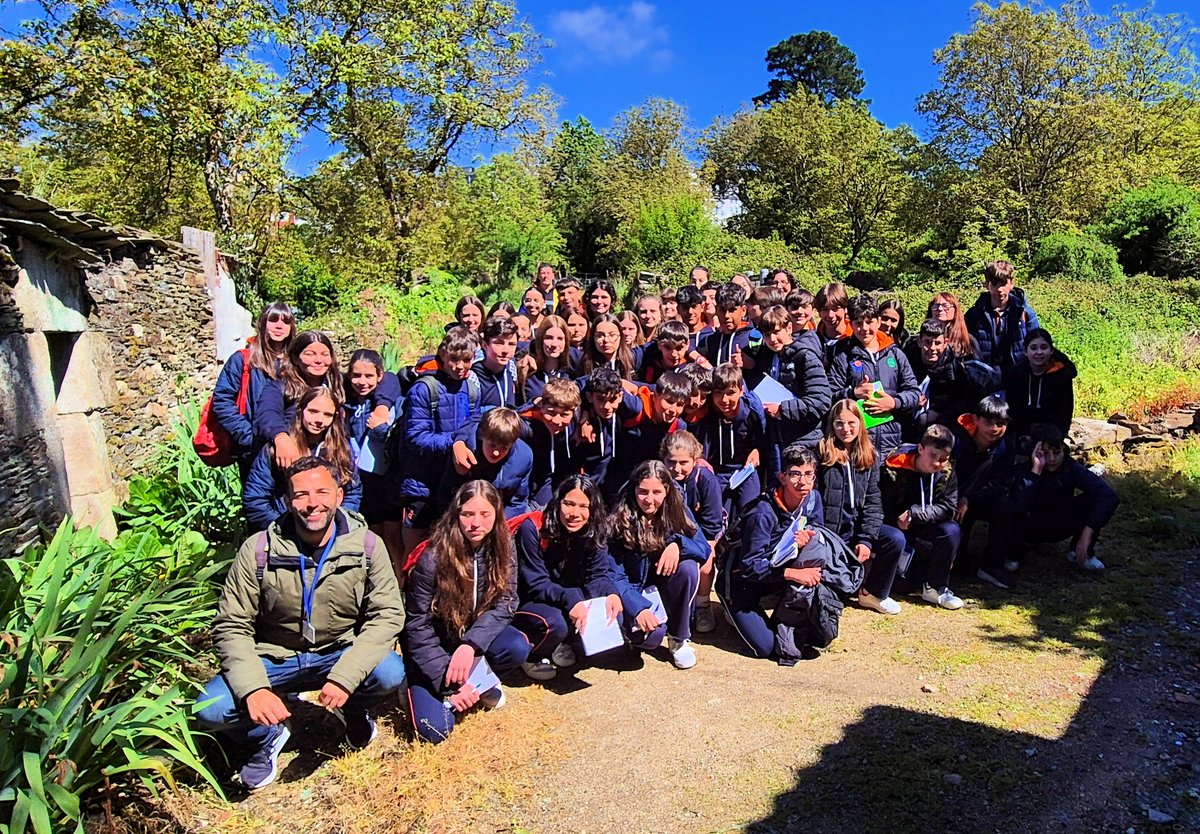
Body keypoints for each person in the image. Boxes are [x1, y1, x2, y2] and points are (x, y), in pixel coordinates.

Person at [196, 457, 405, 789]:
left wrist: (346, 677)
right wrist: (254, 689)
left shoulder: (366, 546)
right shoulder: (259, 549)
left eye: (322, 492)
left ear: (339, 495)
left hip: (338, 651)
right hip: (273, 657)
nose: (312, 504)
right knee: (211, 710)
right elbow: (231, 624)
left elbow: (387, 615)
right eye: (301, 494)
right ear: (287, 500)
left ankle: (351, 709)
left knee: (390, 672)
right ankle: (265, 735)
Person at [401, 481, 532, 743]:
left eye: (485, 514)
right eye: (467, 514)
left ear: (497, 515)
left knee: (517, 645)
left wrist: (470, 645)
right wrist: (448, 685)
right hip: (434, 648)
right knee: (436, 731)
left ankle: (478, 683)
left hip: (470, 644)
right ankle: (414, 688)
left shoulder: (504, 547)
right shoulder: (433, 557)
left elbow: (507, 601)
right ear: (455, 514)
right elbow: (416, 626)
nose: (476, 523)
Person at [720, 444, 860, 663]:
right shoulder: (762, 514)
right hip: (742, 581)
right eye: (795, 474)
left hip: (777, 573)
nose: (802, 482)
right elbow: (750, 567)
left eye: (808, 474)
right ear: (782, 477)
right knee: (766, 648)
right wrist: (794, 574)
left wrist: (806, 544)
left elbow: (817, 533)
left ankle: (785, 611)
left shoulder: (813, 499)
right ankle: (732, 612)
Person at [512, 476, 623, 680]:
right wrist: (570, 599)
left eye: (583, 506)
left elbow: (597, 575)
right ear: (558, 502)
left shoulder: (595, 528)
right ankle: (533, 655)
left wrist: (611, 594)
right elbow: (535, 583)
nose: (575, 514)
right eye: (569, 504)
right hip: (531, 599)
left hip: (567, 595)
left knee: (611, 611)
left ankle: (561, 644)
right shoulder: (534, 528)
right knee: (556, 623)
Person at [607, 460, 709, 669]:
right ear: (634, 488)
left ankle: (679, 637)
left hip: (663, 586)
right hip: (634, 591)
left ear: (667, 491)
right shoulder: (619, 518)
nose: (649, 500)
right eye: (643, 491)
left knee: (688, 568)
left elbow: (703, 549)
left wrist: (678, 544)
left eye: (656, 492)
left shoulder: (677, 509)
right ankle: (630, 634)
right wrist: (639, 609)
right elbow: (614, 575)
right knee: (652, 637)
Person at [396, 327, 483, 553]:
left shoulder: (472, 390)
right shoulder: (425, 389)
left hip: (453, 482)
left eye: (466, 360)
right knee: (415, 552)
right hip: (420, 485)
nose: (460, 366)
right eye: (454, 359)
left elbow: (472, 429)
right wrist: (455, 443)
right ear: (443, 355)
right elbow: (415, 437)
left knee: (450, 550)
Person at [817, 399, 906, 616]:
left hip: (856, 529)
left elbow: (874, 502)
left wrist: (866, 538)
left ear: (860, 424)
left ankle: (872, 594)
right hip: (831, 532)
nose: (845, 429)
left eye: (851, 423)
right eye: (839, 423)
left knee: (894, 539)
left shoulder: (870, 456)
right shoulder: (821, 454)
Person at [243, 386, 361, 531]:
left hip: (329, 532)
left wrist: (337, 525)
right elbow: (255, 498)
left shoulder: (341, 451)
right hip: (286, 531)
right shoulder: (277, 450)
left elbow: (353, 493)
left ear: (335, 417)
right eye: (313, 412)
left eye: (327, 415)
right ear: (301, 411)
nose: (319, 420)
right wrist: (284, 527)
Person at [879, 425, 965, 610]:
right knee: (904, 586)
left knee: (951, 530)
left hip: (924, 523)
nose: (938, 464)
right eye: (933, 457)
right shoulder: (893, 468)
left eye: (943, 459)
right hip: (897, 528)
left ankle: (936, 588)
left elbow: (949, 507)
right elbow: (882, 506)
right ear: (920, 449)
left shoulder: (947, 471)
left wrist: (915, 513)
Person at [1012, 425, 1118, 572]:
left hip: (1061, 522)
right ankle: (1013, 554)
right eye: (1045, 453)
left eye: (1056, 453)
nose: (1051, 459)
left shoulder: (1071, 467)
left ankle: (1080, 552)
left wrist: (1087, 533)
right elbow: (1017, 503)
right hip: (1030, 526)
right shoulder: (1023, 469)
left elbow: (1108, 496)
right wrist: (1035, 471)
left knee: (1094, 497)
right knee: (1011, 504)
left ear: (1063, 449)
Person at [827, 294, 921, 456]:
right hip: (859, 443)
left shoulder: (895, 354)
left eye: (869, 322)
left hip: (893, 441)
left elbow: (914, 393)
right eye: (858, 323)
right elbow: (829, 394)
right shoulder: (844, 355)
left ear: (878, 321)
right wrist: (852, 393)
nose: (864, 328)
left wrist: (894, 402)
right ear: (851, 324)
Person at [211, 302, 296, 472]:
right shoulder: (243, 360)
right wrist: (248, 436)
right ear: (263, 323)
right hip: (254, 449)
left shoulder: (296, 362)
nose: (279, 325)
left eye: (285, 321)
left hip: (291, 446)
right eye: (273, 320)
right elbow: (222, 401)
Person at [746, 305, 831, 465]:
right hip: (777, 440)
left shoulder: (805, 357)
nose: (772, 339)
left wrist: (782, 409)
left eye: (776, 332)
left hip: (805, 442)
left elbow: (821, 401)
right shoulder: (769, 357)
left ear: (789, 328)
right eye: (767, 334)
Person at [255, 331, 349, 470]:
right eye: (310, 354)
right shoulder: (281, 387)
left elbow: (385, 380)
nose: (318, 360)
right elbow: (268, 413)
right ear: (295, 358)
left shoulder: (339, 385)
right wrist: (280, 437)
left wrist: (382, 407)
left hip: (331, 461)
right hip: (290, 461)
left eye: (324, 354)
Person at [952, 395, 1019, 588]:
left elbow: (1001, 482)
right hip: (949, 497)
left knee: (1005, 505)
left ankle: (991, 565)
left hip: (976, 497)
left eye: (1001, 423)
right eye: (988, 422)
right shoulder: (956, 440)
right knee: (957, 562)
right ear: (975, 419)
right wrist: (956, 498)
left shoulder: (1005, 446)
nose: (995, 429)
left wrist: (969, 499)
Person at [662, 431, 723, 634]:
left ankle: (703, 604)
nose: (676, 469)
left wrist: (696, 545)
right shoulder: (660, 478)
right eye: (671, 462)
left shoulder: (705, 479)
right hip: (668, 533)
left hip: (704, 533)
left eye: (683, 463)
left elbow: (712, 524)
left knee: (705, 562)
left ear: (695, 460)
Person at [695, 363, 766, 519]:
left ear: (741, 391)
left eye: (730, 393)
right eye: (718, 393)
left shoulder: (751, 413)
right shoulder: (708, 415)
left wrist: (757, 450)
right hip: (718, 470)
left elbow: (764, 441)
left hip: (745, 470)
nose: (724, 399)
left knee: (750, 511)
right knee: (713, 510)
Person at [343, 350, 399, 545]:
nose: (362, 382)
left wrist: (380, 423)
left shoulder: (387, 399)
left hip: (385, 476)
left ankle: (397, 576)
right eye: (356, 375)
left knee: (392, 536)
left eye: (369, 376)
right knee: (371, 534)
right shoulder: (346, 400)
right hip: (359, 477)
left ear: (380, 376)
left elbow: (393, 438)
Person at [440, 407, 533, 519]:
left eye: (504, 448)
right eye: (492, 445)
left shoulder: (523, 457)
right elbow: (447, 494)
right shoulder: (466, 450)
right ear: (481, 436)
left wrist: (500, 523)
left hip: (501, 516)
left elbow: (518, 500)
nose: (496, 453)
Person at [903, 319, 982, 439]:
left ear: (945, 343)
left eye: (937, 343)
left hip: (939, 422)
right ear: (919, 341)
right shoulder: (906, 360)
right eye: (927, 342)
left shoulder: (954, 369)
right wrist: (911, 400)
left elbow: (959, 404)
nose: (932, 348)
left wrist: (929, 417)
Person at [965, 260, 1041, 372]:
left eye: (1003, 284)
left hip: (1019, 375)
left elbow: (1037, 343)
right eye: (995, 284)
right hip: (985, 378)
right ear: (986, 284)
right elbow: (963, 345)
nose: (999, 289)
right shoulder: (974, 315)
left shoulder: (1024, 313)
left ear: (1012, 283)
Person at [518, 377, 583, 506]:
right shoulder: (525, 426)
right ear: (541, 406)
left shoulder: (577, 418)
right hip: (533, 485)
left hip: (562, 480)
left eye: (564, 415)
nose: (556, 421)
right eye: (551, 413)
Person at [1003, 328, 1077, 442]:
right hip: (1022, 431)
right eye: (1033, 348)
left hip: (1051, 431)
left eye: (1044, 347)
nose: (1039, 352)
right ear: (1025, 352)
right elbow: (1013, 408)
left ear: (1051, 350)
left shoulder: (1061, 375)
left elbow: (1064, 412)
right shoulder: (1016, 374)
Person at [696, 283, 754, 368]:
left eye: (732, 310)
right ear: (716, 310)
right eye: (722, 310)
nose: (726, 316)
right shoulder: (709, 341)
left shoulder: (755, 339)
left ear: (743, 311)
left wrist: (750, 364)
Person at [520, 315, 572, 403]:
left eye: (560, 339)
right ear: (540, 339)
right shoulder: (528, 373)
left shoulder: (571, 374)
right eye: (549, 338)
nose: (554, 344)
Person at [474, 317, 520, 409]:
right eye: (499, 343)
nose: (506, 350)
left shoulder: (510, 369)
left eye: (511, 344)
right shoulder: (474, 376)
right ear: (484, 345)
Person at [580, 313, 637, 380]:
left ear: (620, 337)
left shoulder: (631, 359)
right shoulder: (583, 362)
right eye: (600, 336)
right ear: (593, 338)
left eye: (612, 335)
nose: (606, 340)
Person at [928, 292, 979, 360]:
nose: (940, 309)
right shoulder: (921, 338)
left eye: (945, 306)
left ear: (955, 310)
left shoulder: (967, 340)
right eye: (935, 306)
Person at [814, 282, 853, 367]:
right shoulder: (813, 340)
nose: (830, 315)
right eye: (825, 309)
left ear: (845, 309)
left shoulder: (855, 339)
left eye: (836, 309)